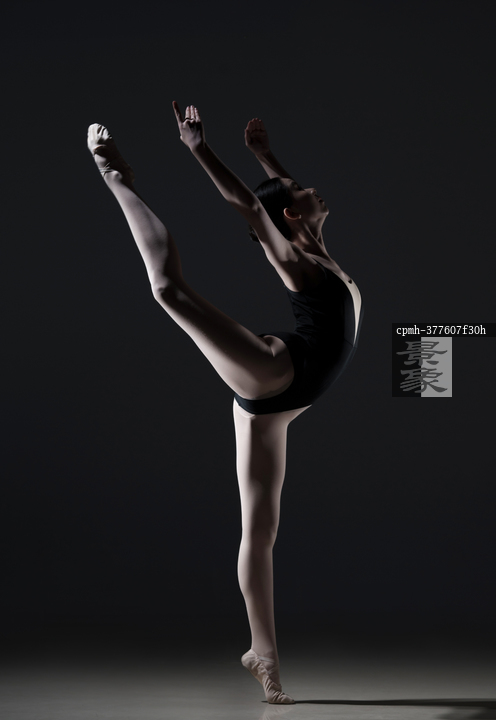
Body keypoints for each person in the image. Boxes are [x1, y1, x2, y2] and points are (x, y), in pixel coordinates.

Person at [86, 104, 363, 704]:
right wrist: (200, 149)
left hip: (282, 407)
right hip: (276, 371)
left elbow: (279, 202)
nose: (310, 186)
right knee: (168, 290)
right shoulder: (296, 260)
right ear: (291, 214)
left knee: (260, 531)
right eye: (300, 190)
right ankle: (116, 177)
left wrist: (265, 155)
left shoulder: (317, 248)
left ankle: (263, 655)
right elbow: (255, 209)